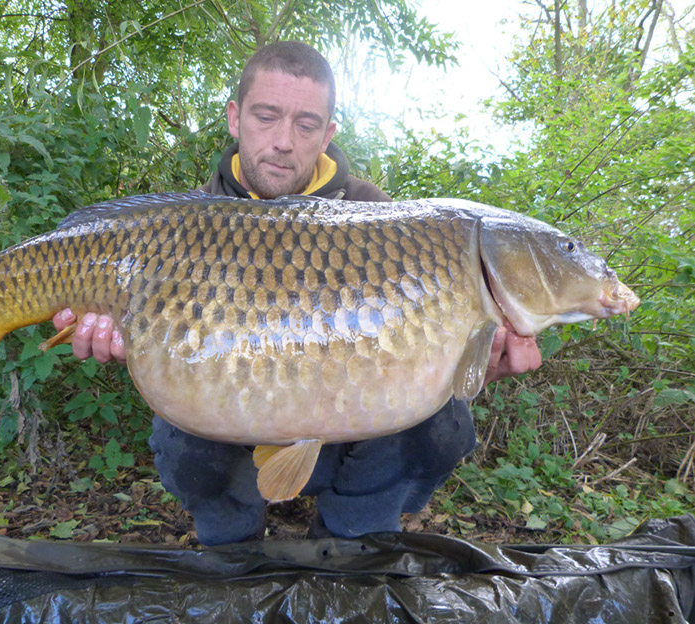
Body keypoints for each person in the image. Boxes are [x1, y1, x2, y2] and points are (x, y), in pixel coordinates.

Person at [53, 41, 542, 545]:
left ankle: (351, 536)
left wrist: (479, 359)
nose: (284, 141)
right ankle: (234, 544)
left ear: (327, 135)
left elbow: (419, 345)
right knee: (179, 444)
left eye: (306, 125)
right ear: (235, 118)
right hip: (234, 417)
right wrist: (112, 331)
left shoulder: (378, 217)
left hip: (347, 422)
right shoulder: (190, 222)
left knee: (446, 428)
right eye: (267, 116)